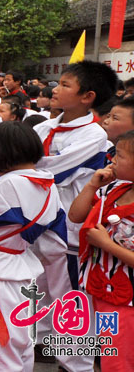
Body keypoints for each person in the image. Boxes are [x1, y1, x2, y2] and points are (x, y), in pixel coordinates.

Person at [32, 60, 118, 372]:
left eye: (66, 85)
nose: (55, 89)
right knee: (38, 286)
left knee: (70, 295)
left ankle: (76, 363)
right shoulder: (46, 125)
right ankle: (42, 343)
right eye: (59, 83)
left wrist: (19, 161)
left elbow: (49, 169)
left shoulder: (93, 135)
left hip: (68, 227)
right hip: (39, 220)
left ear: (87, 97)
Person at [0, 122, 66, 371]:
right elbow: (56, 243)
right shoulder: (49, 186)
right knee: (22, 346)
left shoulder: (8, 185)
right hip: (26, 269)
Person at [69, 130, 134, 372]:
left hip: (127, 299)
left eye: (120, 155)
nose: (113, 160)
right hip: (103, 289)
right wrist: (91, 185)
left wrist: (106, 244)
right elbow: (75, 216)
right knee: (111, 351)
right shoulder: (113, 189)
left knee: (118, 358)